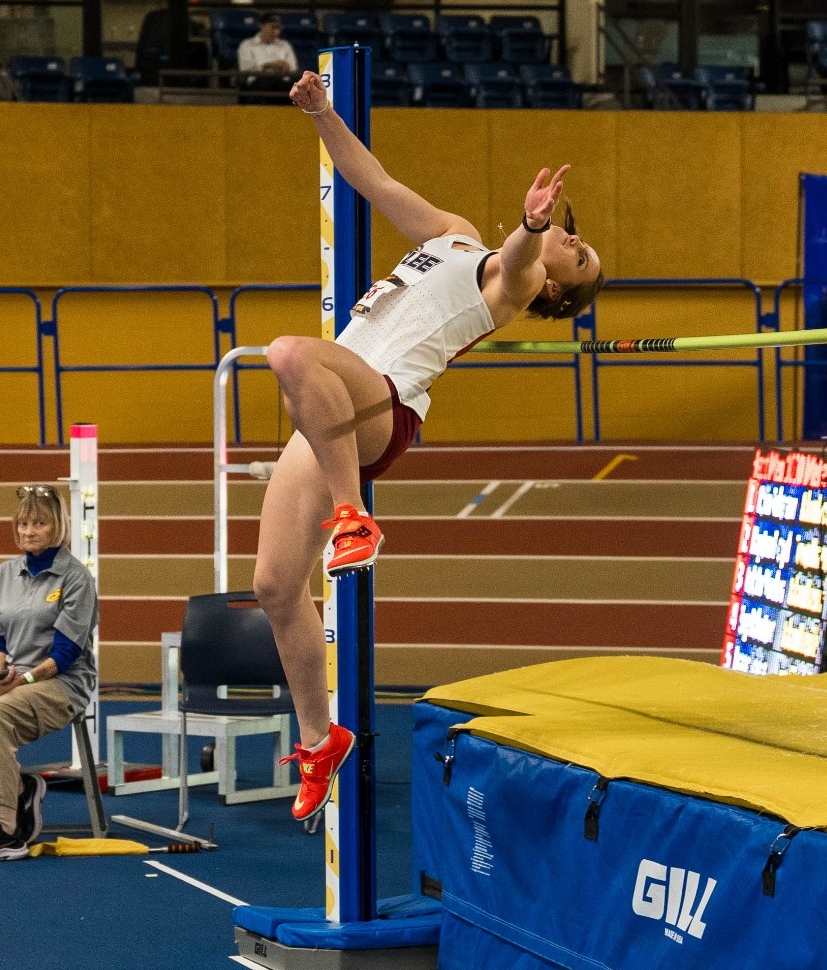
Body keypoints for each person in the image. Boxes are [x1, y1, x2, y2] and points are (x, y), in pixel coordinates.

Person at [256, 70, 607, 824]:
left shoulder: (511, 288)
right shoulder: (451, 232)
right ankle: (320, 740)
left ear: (555, 291)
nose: (575, 244)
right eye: (578, 241)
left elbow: (516, 257)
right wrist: (322, 114)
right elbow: (372, 179)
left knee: (288, 353)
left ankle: (355, 517)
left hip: (383, 408)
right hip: (334, 407)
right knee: (275, 588)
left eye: (580, 259)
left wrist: (534, 226)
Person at [0, 484, 100, 862]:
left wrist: (20, 683)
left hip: (63, 682)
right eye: (23, 523)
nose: (29, 531)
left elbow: (64, 654)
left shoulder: (76, 579)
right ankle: (17, 789)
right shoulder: (3, 574)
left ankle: (8, 830)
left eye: (39, 524)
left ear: (58, 527)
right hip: (15, 673)